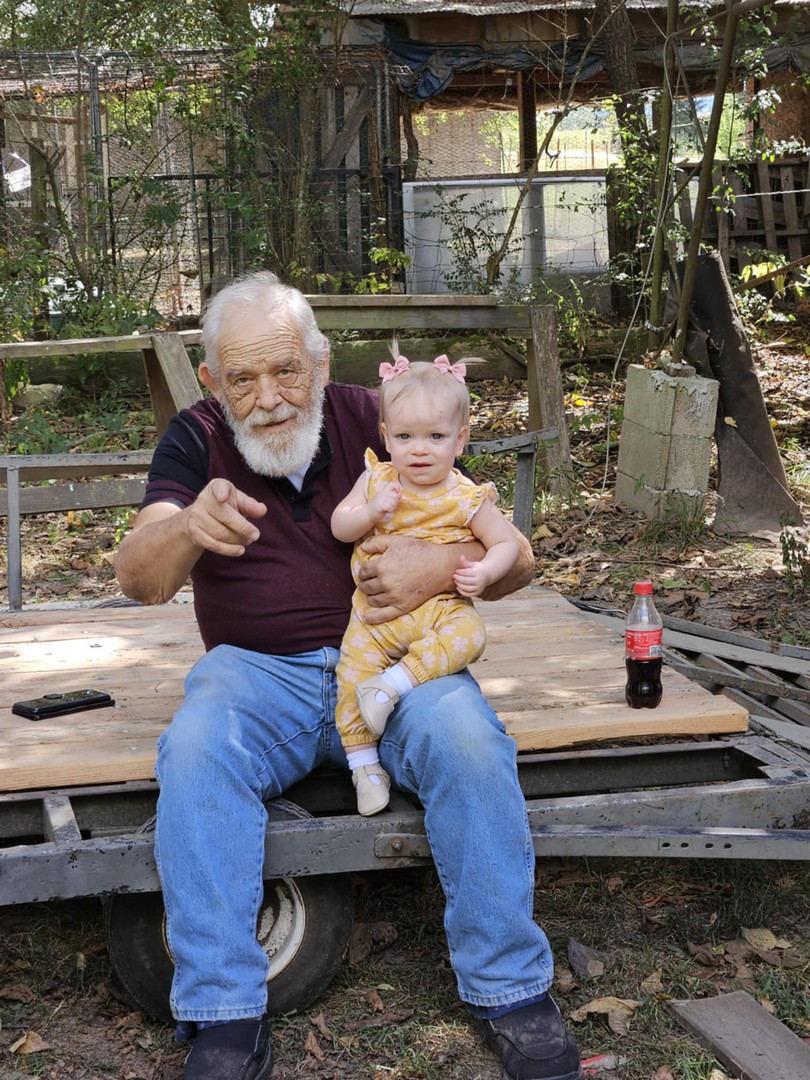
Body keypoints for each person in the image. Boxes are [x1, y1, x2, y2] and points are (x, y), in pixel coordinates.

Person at [114, 270, 584, 1080]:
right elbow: (139, 577)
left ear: (322, 362)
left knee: (470, 741)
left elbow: (518, 560)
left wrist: (442, 563)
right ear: (212, 381)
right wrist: (189, 525)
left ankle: (509, 985)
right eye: (243, 379)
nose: (269, 398)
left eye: (286, 370)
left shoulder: (382, 416)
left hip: (397, 664)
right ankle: (224, 1011)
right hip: (260, 676)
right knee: (195, 749)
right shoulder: (195, 438)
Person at [331, 352, 521, 816]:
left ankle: (394, 684)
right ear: (385, 437)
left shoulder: (466, 497)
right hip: (374, 618)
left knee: (470, 634)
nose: (419, 449)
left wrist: (485, 571)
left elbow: (506, 544)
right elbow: (339, 524)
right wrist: (369, 512)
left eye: (435, 437)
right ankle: (364, 768)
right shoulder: (376, 479)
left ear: (460, 440)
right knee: (351, 674)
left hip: (439, 609)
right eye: (405, 437)